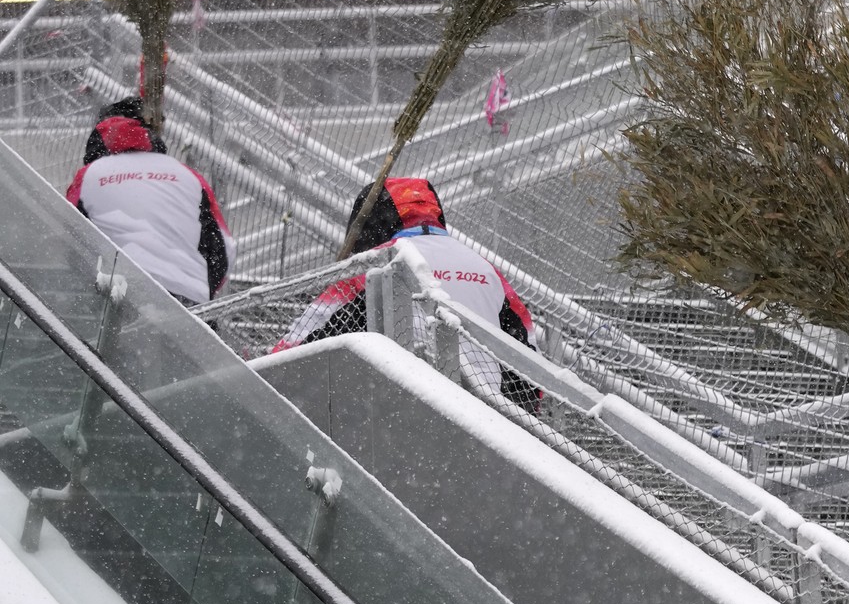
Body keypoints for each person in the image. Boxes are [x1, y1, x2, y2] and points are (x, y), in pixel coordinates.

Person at [273, 177, 540, 411]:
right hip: (485, 419)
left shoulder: (374, 264)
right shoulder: (486, 269)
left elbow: (293, 348)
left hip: (400, 414)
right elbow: (529, 364)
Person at [66, 98, 234, 307]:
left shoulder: (88, 176)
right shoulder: (187, 175)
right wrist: (200, 287)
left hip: (120, 295)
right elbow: (224, 248)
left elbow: (70, 235)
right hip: (188, 302)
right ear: (148, 132)